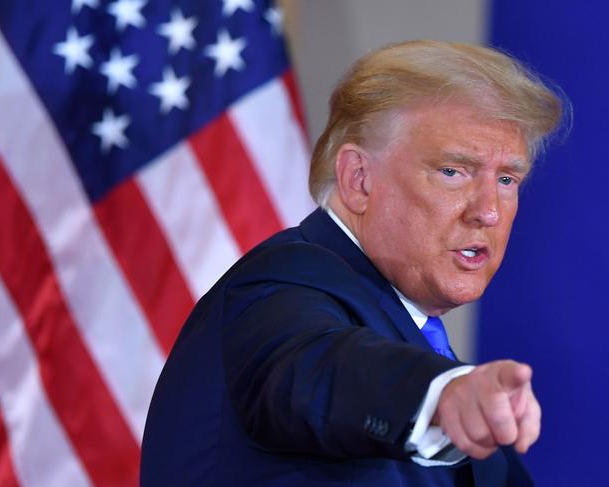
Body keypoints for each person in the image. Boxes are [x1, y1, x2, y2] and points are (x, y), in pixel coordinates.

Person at [140, 40, 564, 486]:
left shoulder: (417, 337)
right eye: (453, 171)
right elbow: (321, 367)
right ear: (358, 179)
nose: (489, 211)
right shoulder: (280, 285)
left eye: (506, 178)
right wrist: (439, 396)